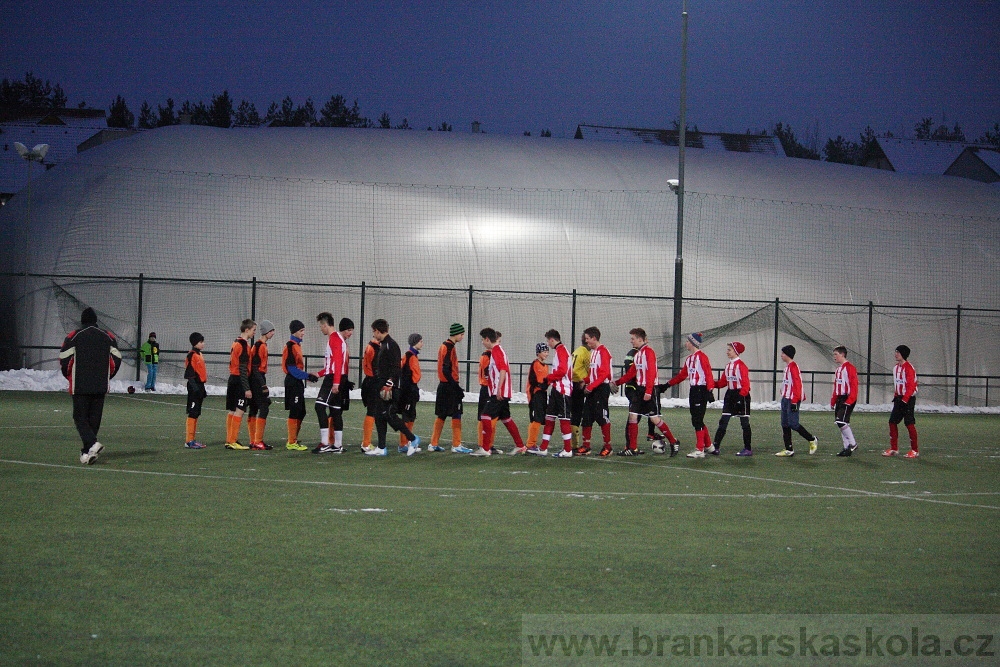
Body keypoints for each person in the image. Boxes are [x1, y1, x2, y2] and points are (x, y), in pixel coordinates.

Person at [59, 307, 122, 464]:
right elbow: (116, 359)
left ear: (82, 321)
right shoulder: (108, 336)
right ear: (95, 321)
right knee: (94, 418)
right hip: (100, 385)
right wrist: (107, 375)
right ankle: (87, 452)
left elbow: (64, 359)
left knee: (80, 417)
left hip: (80, 385)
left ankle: (92, 444)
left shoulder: (74, 336)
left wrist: (70, 376)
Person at [615, 328, 680, 456]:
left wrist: (649, 391)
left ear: (640, 339)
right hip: (640, 390)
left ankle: (673, 442)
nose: (631, 341)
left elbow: (651, 373)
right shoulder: (638, 354)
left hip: (650, 390)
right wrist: (616, 383)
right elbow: (631, 373)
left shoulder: (649, 352)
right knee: (633, 416)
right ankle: (633, 448)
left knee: (655, 419)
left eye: (633, 338)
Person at [366, 318, 421, 456]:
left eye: (374, 332)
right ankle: (381, 447)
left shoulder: (391, 345)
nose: (374, 335)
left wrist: (389, 385)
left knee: (390, 415)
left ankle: (413, 439)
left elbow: (396, 368)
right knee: (379, 415)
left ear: (378, 331)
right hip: (382, 385)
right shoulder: (384, 344)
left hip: (390, 388)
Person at [663, 332, 715, 458]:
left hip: (700, 390)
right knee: (696, 419)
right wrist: (667, 385)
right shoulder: (689, 359)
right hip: (694, 391)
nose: (685, 343)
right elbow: (682, 375)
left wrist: (709, 390)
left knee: (697, 419)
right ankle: (709, 446)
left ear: (692, 343)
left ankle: (700, 449)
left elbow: (708, 373)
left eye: (687, 341)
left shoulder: (702, 357)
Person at [475, 327, 525, 456]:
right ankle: (520, 445)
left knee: (485, 416)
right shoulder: (497, 350)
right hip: (502, 392)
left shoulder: (496, 350)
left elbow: (503, 369)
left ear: (487, 339)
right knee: (506, 419)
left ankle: (485, 449)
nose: (482, 342)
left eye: (482, 340)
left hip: (499, 393)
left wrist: (498, 389)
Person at [314, 314, 355, 454]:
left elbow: (337, 363)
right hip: (338, 377)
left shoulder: (335, 339)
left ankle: (325, 443)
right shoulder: (337, 339)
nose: (321, 329)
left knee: (319, 406)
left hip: (334, 379)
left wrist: (336, 383)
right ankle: (338, 445)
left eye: (321, 326)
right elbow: (334, 363)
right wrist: (318, 374)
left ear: (326, 325)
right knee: (336, 411)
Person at [530, 329, 574, 457]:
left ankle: (567, 449)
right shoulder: (560, 351)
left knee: (564, 419)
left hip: (563, 390)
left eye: (548, 341)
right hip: (556, 389)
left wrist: (548, 379)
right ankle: (543, 448)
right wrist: (549, 381)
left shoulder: (562, 351)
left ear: (552, 339)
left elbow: (562, 371)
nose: (548, 344)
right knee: (549, 417)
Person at [430, 323, 471, 453]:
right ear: (456, 334)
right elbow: (446, 369)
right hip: (449, 386)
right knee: (457, 413)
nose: (463, 336)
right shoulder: (449, 347)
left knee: (441, 414)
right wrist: (456, 387)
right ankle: (456, 445)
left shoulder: (444, 345)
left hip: (443, 385)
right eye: (462, 334)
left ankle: (433, 443)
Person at [711, 341, 753, 456]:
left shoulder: (741, 366)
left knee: (744, 423)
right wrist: (711, 383)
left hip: (741, 395)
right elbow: (723, 382)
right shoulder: (728, 366)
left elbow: (746, 385)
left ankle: (748, 448)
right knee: (723, 421)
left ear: (736, 351)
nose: (727, 352)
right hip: (730, 395)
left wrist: (740, 397)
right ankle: (715, 447)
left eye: (729, 350)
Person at [775, 345, 818, 457]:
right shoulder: (787, 367)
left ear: (788, 354)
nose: (781, 355)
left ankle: (812, 439)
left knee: (793, 424)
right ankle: (789, 449)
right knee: (784, 424)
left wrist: (794, 400)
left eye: (783, 353)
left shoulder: (794, 367)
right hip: (785, 398)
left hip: (792, 399)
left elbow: (797, 384)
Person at [282, 320, 318, 451]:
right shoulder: (290, 346)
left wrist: (306, 376)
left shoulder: (296, 345)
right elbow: (292, 369)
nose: (303, 333)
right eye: (301, 330)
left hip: (297, 382)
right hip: (292, 382)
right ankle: (291, 441)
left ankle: (293, 439)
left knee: (301, 411)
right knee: (295, 410)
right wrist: (307, 376)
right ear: (295, 331)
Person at [578, 327, 613, 457]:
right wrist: (585, 380)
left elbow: (604, 374)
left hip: (601, 389)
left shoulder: (603, 352)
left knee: (601, 416)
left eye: (587, 338)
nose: (586, 341)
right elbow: (594, 373)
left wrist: (591, 386)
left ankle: (608, 446)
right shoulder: (593, 352)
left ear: (594, 338)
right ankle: (586, 446)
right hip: (593, 388)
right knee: (586, 416)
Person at [224, 319, 256, 450]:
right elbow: (243, 368)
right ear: (247, 330)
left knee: (232, 410)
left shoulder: (235, 342)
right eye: (253, 330)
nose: (254, 333)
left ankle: (230, 439)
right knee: (240, 410)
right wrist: (247, 388)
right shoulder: (243, 345)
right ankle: (232, 441)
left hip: (233, 378)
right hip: (239, 380)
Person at [884, 344, 919, 458]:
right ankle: (894, 448)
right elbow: (897, 385)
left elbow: (911, 386)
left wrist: (905, 400)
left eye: (898, 352)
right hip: (899, 399)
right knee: (892, 422)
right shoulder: (895, 368)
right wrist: (897, 397)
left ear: (903, 354)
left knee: (909, 423)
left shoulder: (909, 368)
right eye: (896, 352)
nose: (896, 354)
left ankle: (915, 450)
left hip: (908, 399)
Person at [248, 320, 277, 450]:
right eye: (271, 331)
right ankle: (257, 440)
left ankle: (253, 441)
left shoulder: (261, 345)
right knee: (264, 407)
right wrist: (262, 384)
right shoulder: (259, 346)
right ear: (266, 332)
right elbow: (255, 367)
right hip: (257, 379)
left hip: (256, 378)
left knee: (254, 408)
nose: (273, 333)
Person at [831, 345, 860, 457]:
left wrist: (850, 399)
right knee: (843, 423)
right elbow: (836, 386)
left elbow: (854, 385)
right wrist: (833, 400)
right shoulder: (838, 370)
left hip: (847, 398)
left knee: (841, 421)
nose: (834, 357)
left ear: (842, 354)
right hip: (839, 399)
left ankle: (853, 443)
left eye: (836, 354)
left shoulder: (850, 368)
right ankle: (846, 448)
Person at [398, 333, 423, 452]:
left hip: (408, 389)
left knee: (411, 415)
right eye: (420, 341)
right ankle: (403, 444)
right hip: (409, 390)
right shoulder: (411, 356)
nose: (422, 343)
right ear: (415, 342)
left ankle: (408, 441)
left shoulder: (408, 356)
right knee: (407, 417)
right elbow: (415, 376)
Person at [522, 342, 549, 453]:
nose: (546, 354)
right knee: (536, 418)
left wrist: (546, 384)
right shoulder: (535, 363)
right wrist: (540, 385)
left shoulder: (546, 366)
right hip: (535, 394)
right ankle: (530, 444)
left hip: (542, 394)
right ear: (538, 353)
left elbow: (546, 380)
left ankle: (533, 443)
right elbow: (532, 380)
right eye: (544, 351)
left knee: (540, 418)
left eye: (547, 352)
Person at [183, 332, 208, 449]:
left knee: (197, 412)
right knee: (193, 412)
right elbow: (189, 375)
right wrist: (196, 389)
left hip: (200, 385)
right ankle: (189, 440)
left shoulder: (199, 354)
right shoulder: (191, 355)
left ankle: (192, 439)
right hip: (194, 386)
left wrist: (202, 389)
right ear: (195, 343)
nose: (203, 344)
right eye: (200, 342)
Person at [360, 331, 381, 452]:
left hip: (369, 381)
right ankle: (366, 443)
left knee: (373, 412)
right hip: (373, 382)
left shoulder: (371, 346)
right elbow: (375, 368)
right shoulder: (374, 348)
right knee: (372, 412)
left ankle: (367, 442)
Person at [570, 334, 591, 450]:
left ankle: (572, 441)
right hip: (579, 384)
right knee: (579, 413)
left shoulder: (576, 351)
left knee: (573, 412)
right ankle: (575, 444)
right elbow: (590, 369)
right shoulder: (586, 353)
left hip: (571, 384)